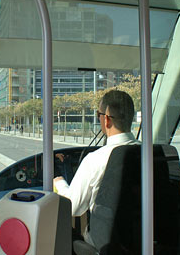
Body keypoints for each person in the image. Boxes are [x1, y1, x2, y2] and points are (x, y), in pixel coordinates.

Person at [53, 90, 138, 219]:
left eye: (99, 114)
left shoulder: (95, 160)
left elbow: (72, 208)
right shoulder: (153, 153)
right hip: (151, 235)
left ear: (107, 120)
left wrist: (58, 181)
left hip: (107, 239)